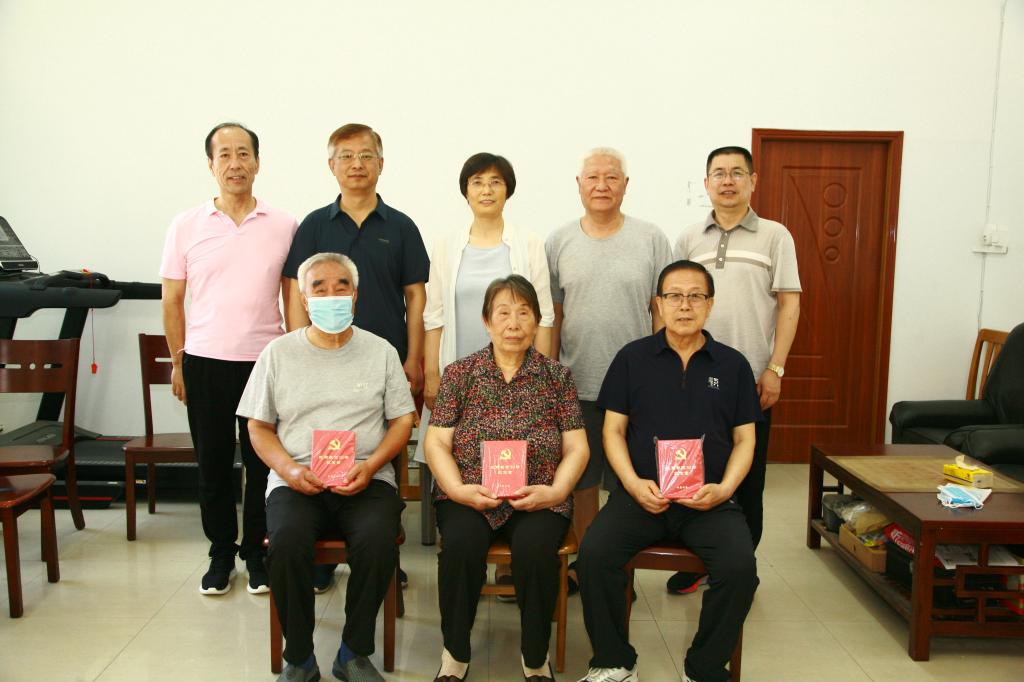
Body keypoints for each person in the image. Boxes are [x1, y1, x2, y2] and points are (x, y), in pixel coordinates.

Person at [576, 260, 760, 682]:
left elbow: (745, 440)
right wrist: (632, 483)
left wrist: (724, 488)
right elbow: (612, 431)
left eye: (696, 296)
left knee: (740, 569)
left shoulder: (732, 365)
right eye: (674, 296)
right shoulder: (632, 358)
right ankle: (614, 661)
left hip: (709, 501)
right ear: (658, 303)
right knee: (594, 555)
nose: (685, 305)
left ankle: (704, 668)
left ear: (710, 304)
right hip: (642, 497)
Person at [237, 252, 416, 682]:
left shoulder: (381, 351)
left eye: (341, 286)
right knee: (286, 542)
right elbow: (258, 427)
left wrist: (372, 466)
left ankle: (354, 652)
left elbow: (402, 421)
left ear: (355, 295)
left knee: (378, 541)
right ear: (303, 297)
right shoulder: (278, 354)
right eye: (319, 288)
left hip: (366, 478)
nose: (331, 295)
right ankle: (300, 657)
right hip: (298, 479)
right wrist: (289, 470)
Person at [282, 122, 429, 591]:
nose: (357, 164)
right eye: (346, 156)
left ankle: (384, 550)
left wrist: (414, 357)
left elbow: (416, 296)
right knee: (320, 445)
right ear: (331, 165)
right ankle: (321, 555)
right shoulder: (314, 225)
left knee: (387, 456)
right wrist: (297, 349)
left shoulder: (401, 226)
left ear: (381, 164)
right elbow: (294, 289)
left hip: (384, 363)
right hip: (321, 362)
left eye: (366, 156)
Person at [424, 275, 588, 682]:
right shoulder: (460, 373)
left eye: (524, 313)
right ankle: (454, 653)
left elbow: (577, 448)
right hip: (469, 495)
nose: (513, 323)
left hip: (539, 497)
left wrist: (556, 491)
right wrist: (457, 489)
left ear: (536, 321)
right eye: (503, 313)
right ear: (487, 321)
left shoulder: (557, 377)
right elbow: (436, 443)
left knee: (535, 551)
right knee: (461, 546)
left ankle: (535, 657)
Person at [160, 121, 297, 595]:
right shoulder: (185, 225)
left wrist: (296, 359)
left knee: (263, 465)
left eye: (244, 153)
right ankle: (221, 552)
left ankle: (256, 551)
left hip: (265, 362)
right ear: (211, 165)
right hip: (204, 361)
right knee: (213, 464)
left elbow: (292, 297)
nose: (235, 163)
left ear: (258, 162)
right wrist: (178, 363)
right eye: (225, 155)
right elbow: (172, 300)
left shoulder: (283, 224)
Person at [668, 145, 801, 595]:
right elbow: (670, 304)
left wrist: (775, 367)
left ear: (753, 181)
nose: (728, 181)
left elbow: (789, 304)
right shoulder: (689, 238)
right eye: (719, 173)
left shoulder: (775, 236)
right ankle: (697, 562)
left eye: (737, 173)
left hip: (750, 380)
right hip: (692, 375)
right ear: (706, 183)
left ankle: (740, 569)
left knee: (747, 478)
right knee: (693, 469)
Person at [545, 147, 673, 585]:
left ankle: (620, 572)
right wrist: (549, 377)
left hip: (635, 390)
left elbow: (661, 310)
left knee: (628, 483)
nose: (602, 185)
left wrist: (663, 373)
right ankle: (587, 566)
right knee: (582, 482)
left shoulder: (651, 238)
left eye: (612, 177)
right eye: (593, 177)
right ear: (578, 185)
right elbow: (553, 316)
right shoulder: (559, 240)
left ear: (626, 185)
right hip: (576, 384)